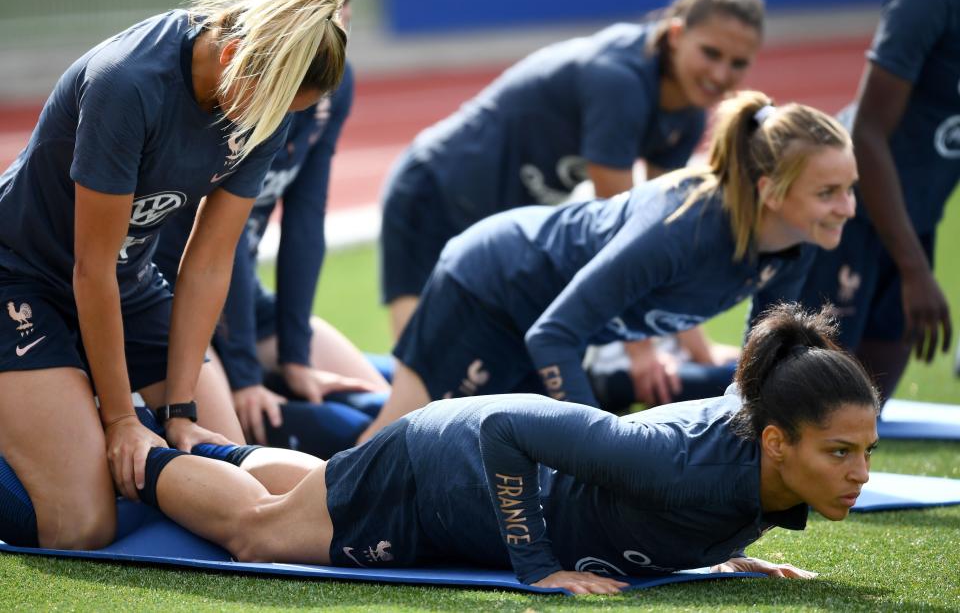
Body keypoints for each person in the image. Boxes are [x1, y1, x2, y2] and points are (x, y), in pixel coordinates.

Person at [107, 303, 878, 594]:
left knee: (317, 489)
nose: (860, 473)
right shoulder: (683, 465)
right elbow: (509, 429)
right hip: (446, 468)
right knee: (259, 534)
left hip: (457, 470)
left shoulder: (768, 460)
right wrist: (539, 566)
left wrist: (712, 555)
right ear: (777, 442)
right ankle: (136, 459)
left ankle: (230, 458)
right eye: (842, 452)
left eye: (865, 451)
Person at [0, 0, 348, 550]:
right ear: (236, 56)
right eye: (272, 106)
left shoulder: (268, 99)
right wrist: (120, 422)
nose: (272, 124)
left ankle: (78, 412)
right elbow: (91, 268)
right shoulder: (129, 82)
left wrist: (180, 408)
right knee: (81, 527)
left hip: (130, 282)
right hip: (23, 279)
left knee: (225, 469)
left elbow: (210, 262)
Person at [358, 90, 858, 443]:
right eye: (827, 193)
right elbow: (553, 335)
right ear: (770, 192)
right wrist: (602, 450)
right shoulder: (682, 229)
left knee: (497, 461)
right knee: (396, 440)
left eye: (849, 188)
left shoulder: (796, 238)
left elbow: (755, 373)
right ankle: (291, 506)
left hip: (538, 325)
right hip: (487, 288)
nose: (848, 207)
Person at [380, 0, 765, 340]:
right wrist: (642, 349)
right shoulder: (621, 79)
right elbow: (625, 238)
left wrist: (696, 349)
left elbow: (667, 231)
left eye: (738, 63)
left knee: (485, 370)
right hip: (433, 194)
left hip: (493, 227)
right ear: (677, 34)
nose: (720, 74)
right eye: (711, 53)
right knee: (424, 371)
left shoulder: (690, 110)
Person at [154, 0, 389, 446]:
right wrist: (244, 376)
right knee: (232, 446)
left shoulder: (330, 87)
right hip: (169, 302)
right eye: (325, 5)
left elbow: (305, 220)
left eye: (347, 5)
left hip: (243, 300)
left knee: (386, 412)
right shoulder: (240, 88)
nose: (338, 22)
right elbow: (223, 247)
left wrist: (296, 355)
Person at [798, 0, 959, 399]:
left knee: (864, 405)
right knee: (803, 396)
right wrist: (915, 269)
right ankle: (638, 381)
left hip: (918, 211)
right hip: (851, 207)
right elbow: (866, 135)